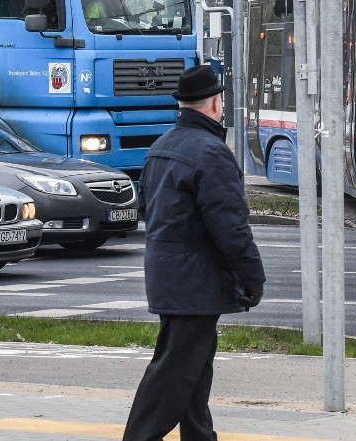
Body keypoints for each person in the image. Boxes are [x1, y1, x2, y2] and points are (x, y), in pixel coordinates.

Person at [122, 64, 265, 441]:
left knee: (193, 373)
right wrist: (253, 277)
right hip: (196, 282)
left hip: (170, 276)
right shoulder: (211, 153)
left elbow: (148, 210)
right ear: (216, 104)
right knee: (173, 375)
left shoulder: (161, 147)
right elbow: (231, 228)